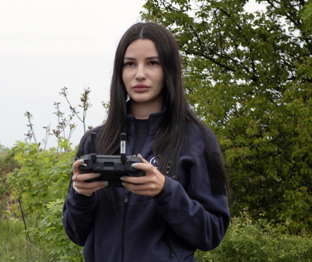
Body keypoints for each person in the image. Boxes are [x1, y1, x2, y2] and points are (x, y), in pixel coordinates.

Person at [63, 22, 231, 261]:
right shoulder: (94, 141)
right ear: (120, 72)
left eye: (152, 63)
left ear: (169, 69)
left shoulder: (201, 140)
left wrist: (165, 190)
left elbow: (212, 233)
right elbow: (76, 234)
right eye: (130, 63)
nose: (139, 73)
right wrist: (80, 195)